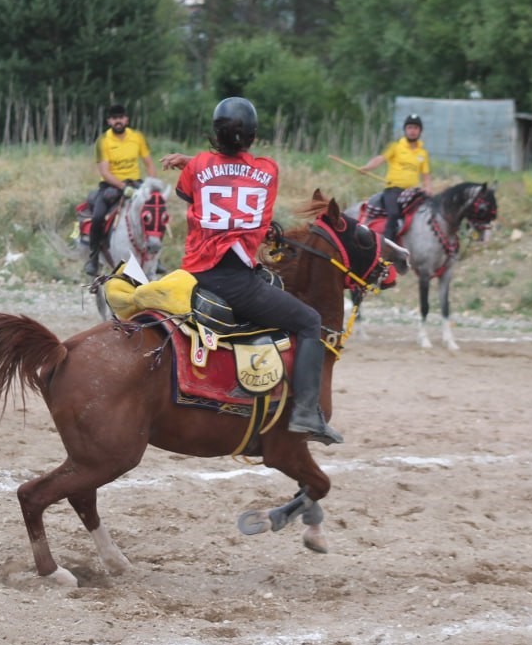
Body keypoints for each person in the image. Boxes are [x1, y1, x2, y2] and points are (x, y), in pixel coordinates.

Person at [161, 97, 342, 446]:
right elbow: (237, 179)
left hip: (194, 274)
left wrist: (190, 161)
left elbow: (199, 183)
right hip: (235, 281)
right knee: (309, 322)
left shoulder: (197, 167)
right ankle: (306, 411)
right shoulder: (267, 170)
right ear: (253, 136)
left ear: (214, 134)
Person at [85, 103, 156, 276]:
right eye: (114, 118)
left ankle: (155, 257)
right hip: (111, 185)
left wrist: (151, 185)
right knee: (98, 216)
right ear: (109, 121)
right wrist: (123, 187)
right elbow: (104, 171)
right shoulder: (103, 141)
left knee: (155, 214)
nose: (118, 121)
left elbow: (149, 164)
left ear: (126, 119)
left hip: (136, 184)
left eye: (121, 117)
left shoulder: (137, 137)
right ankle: (93, 258)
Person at [358, 113, 431, 245]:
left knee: (428, 212)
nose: (412, 131)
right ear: (405, 130)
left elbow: (426, 174)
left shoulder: (423, 153)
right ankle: (387, 245)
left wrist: (428, 187)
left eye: (415, 128)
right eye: (409, 127)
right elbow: (381, 158)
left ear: (420, 131)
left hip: (413, 192)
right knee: (393, 214)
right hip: (394, 190)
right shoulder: (395, 147)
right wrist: (368, 167)